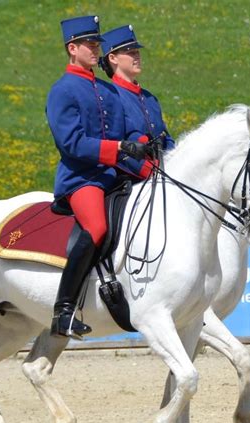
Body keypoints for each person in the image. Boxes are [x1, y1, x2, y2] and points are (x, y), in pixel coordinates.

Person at [46, 15, 152, 339]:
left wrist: (143, 146)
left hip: (114, 174)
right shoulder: (62, 90)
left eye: (97, 43)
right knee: (96, 227)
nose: (96, 49)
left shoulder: (105, 89)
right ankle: (63, 311)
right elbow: (72, 143)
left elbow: (126, 129)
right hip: (83, 178)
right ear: (72, 48)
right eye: (90, 44)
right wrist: (119, 147)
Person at [99, 25, 175, 154]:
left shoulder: (150, 98)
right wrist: (148, 170)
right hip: (133, 172)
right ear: (113, 58)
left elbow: (166, 139)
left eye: (137, 51)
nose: (137, 56)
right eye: (130, 52)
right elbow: (116, 145)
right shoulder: (110, 97)